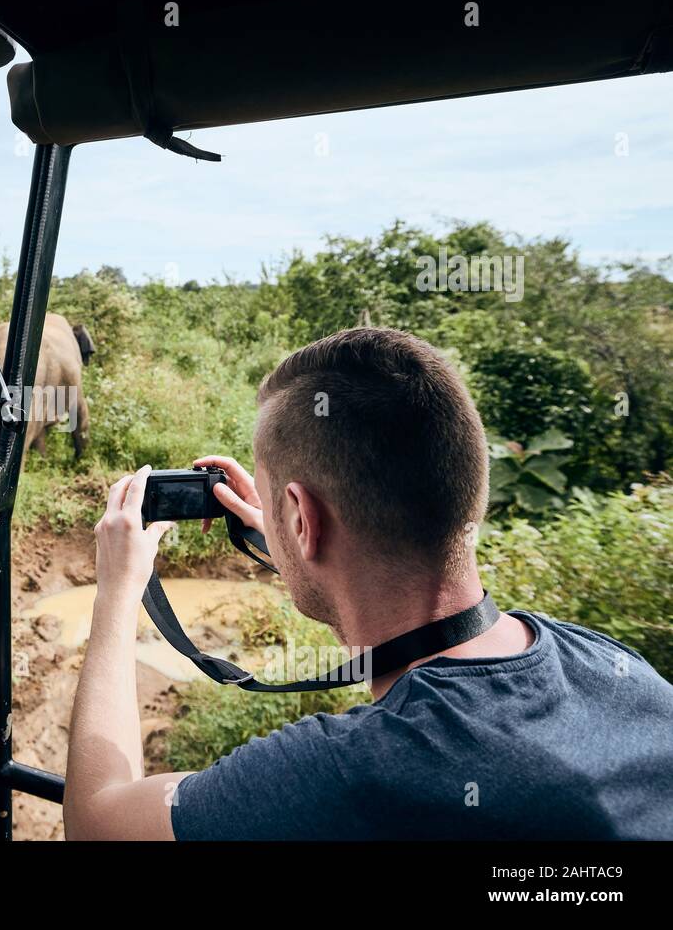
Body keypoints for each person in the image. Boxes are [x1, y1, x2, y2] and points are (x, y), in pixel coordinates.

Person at [63, 327, 673, 840]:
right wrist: (285, 537)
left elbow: (97, 821)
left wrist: (119, 591)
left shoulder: (359, 768)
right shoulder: (612, 664)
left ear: (304, 519)